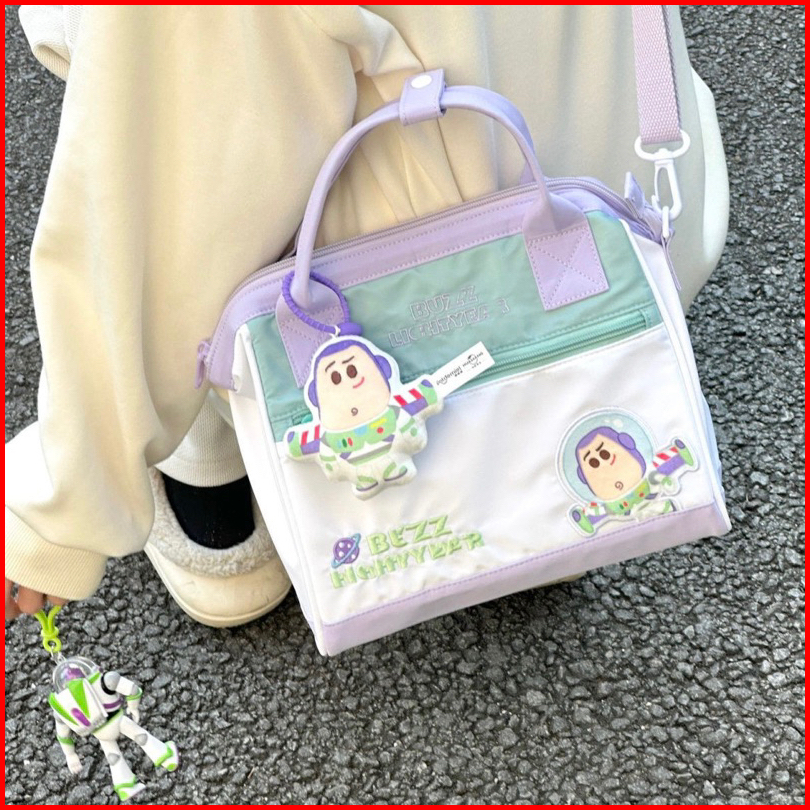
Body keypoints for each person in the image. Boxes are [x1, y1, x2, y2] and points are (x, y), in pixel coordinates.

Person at [5, 6, 728, 626]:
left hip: (409, 305)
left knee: (172, 81)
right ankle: (540, 471)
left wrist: (56, 509)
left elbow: (175, 191)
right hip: (623, 214)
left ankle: (203, 431)